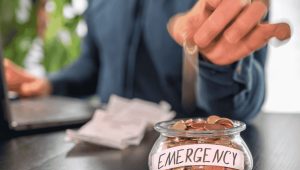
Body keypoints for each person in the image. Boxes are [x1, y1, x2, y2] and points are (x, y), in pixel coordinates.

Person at [4, 0, 291, 120]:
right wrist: (47, 85)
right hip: (102, 166)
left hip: (186, 166)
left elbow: (243, 107)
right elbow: (93, 64)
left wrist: (218, 65)